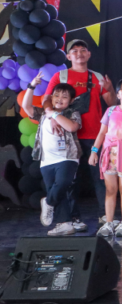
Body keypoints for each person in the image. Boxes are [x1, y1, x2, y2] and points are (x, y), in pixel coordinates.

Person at [42, 39, 116, 231]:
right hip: (67, 136)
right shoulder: (61, 76)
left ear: (89, 54)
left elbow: (113, 103)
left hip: (94, 134)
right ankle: (73, 218)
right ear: (68, 56)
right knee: (70, 181)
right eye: (74, 51)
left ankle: (105, 216)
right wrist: (52, 117)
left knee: (100, 177)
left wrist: (110, 90)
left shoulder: (98, 77)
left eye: (83, 50)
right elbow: (46, 100)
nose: (79, 53)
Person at [24, 77, 82, 236]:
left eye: (64, 97)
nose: (60, 99)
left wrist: (53, 114)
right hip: (47, 159)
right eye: (57, 96)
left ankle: (47, 202)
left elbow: (71, 127)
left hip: (67, 157)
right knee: (57, 191)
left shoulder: (72, 112)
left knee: (63, 183)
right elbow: (26, 106)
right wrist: (31, 86)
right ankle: (65, 224)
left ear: (70, 101)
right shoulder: (43, 113)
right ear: (51, 98)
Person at [90, 79, 122, 237]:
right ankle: (109, 222)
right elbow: (102, 132)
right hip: (109, 153)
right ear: (117, 94)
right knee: (110, 189)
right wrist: (94, 151)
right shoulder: (111, 110)